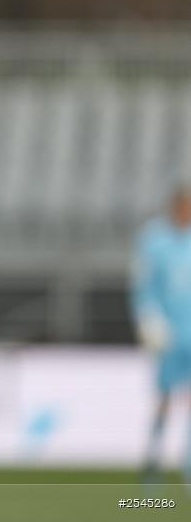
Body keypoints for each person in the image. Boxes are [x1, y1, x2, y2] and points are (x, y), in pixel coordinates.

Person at [132, 185, 191, 485]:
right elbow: (145, 288)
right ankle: (153, 460)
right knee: (165, 398)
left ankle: (187, 465)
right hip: (170, 336)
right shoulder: (154, 241)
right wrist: (150, 322)